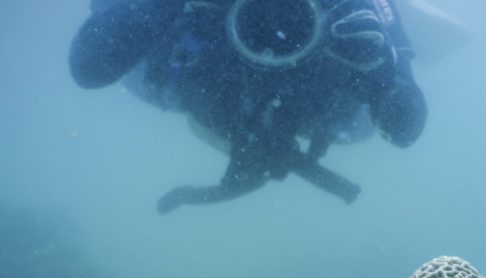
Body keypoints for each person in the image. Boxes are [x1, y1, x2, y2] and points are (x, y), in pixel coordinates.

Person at [70, 0, 427, 213]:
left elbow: (405, 129)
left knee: (360, 122)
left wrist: (383, 67)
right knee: (137, 66)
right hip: (196, 86)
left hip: (312, 105)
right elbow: (86, 69)